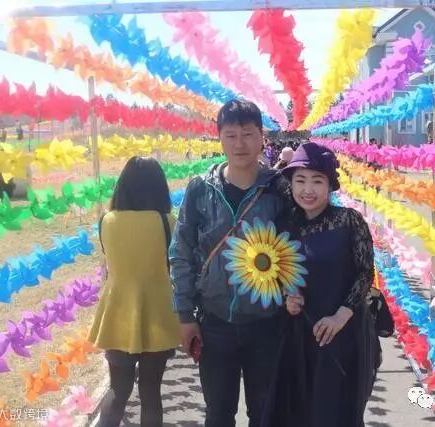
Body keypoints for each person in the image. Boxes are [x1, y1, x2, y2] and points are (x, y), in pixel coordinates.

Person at [169, 99, 290, 427]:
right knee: (218, 414)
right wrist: (185, 315)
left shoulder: (279, 189)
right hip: (215, 322)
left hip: (268, 323)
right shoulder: (201, 189)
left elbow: (298, 249)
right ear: (219, 138)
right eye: (231, 135)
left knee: (266, 414)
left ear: (262, 137)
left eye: (248, 134)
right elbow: (181, 253)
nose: (240, 144)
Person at [262, 142, 377, 427]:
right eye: (300, 180)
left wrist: (341, 316)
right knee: (296, 412)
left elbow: (365, 273)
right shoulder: (283, 226)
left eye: (317, 181)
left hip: (344, 334)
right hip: (299, 335)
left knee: (335, 412)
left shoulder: (349, 221)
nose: (308, 189)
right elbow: (278, 274)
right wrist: (287, 298)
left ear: (329, 185)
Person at [88, 156, 180, 427]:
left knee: (118, 390)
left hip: (117, 313)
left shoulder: (106, 221)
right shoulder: (168, 222)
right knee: (151, 392)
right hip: (158, 314)